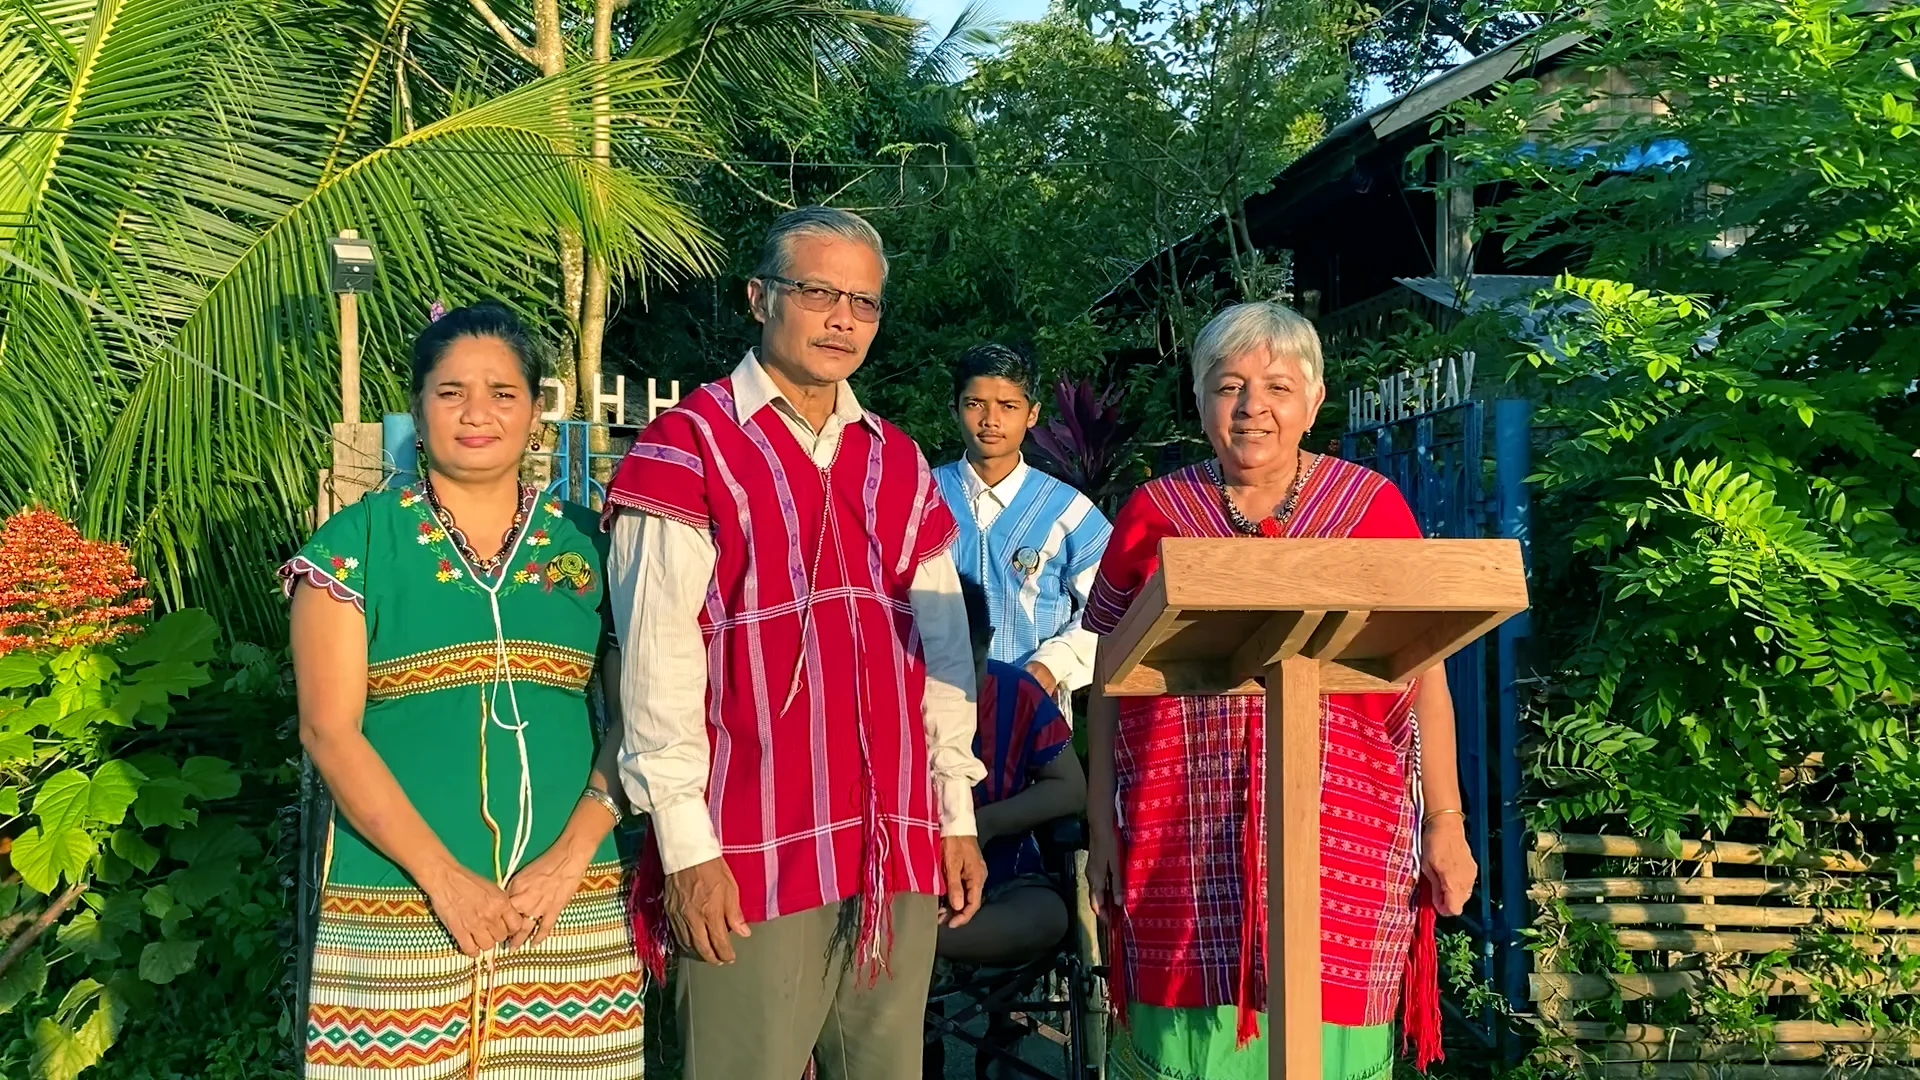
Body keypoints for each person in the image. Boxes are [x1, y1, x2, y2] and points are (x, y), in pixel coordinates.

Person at [603, 206, 988, 1080]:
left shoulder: (897, 462)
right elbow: (657, 664)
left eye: (864, 302)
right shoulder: (687, 447)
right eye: (817, 292)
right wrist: (686, 849)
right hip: (749, 847)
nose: (842, 318)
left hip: (893, 845)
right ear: (759, 297)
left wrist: (954, 815)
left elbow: (942, 656)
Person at [1081, 301, 1480, 1080]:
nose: (1251, 406)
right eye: (1228, 385)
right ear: (1200, 398)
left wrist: (1447, 822)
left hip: (1347, 831)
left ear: (1315, 399)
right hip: (1179, 836)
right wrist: (1102, 826)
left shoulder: (1370, 509)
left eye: (1277, 386)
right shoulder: (1153, 514)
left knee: (1330, 1041)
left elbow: (1424, 673)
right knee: (1188, 1046)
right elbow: (1109, 678)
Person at [286, 302, 644, 1079]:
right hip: (400, 901)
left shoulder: (593, 544)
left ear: (536, 412)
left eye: (502, 393)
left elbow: (638, 717)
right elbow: (328, 732)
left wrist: (571, 856)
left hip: (566, 903)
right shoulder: (354, 546)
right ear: (418, 409)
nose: (477, 412)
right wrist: (446, 882)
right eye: (450, 392)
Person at [933, 343, 1111, 710]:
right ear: (955, 410)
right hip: (932, 705)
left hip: (1034, 709)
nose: (990, 420)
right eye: (975, 404)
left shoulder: (1068, 510)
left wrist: (1052, 664)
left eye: (1008, 406)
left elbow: (1112, 608)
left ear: (1032, 414)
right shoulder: (919, 498)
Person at [938, 577, 1088, 966]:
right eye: (938, 670)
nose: (953, 685)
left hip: (1008, 878)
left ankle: (922, 945)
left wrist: (987, 823)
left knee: (1048, 918)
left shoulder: (1018, 691)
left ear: (987, 642)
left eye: (968, 666)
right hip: (909, 889)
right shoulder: (890, 697)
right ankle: (916, 940)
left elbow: (1071, 788)